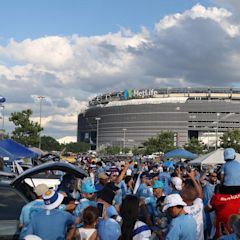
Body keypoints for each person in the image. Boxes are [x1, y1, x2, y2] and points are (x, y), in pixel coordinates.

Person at [180, 171, 204, 240]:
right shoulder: (198, 204)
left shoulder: (182, 210)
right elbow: (200, 193)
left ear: (183, 198)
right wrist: (193, 179)